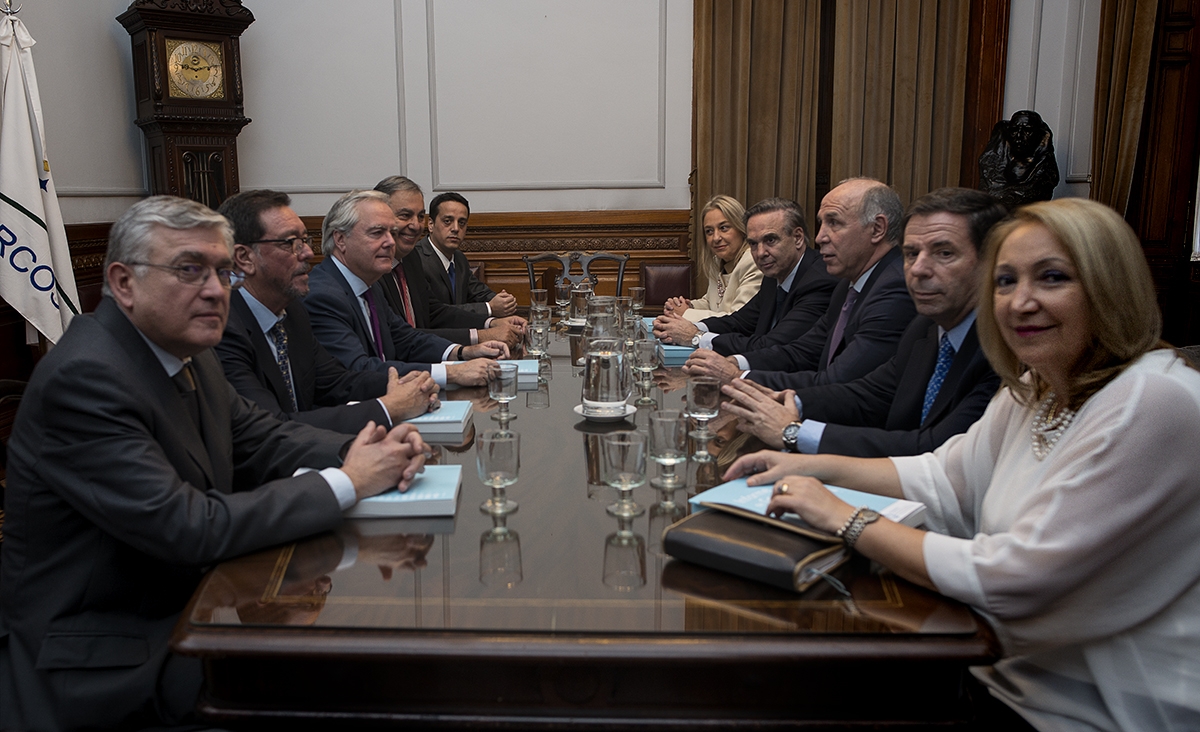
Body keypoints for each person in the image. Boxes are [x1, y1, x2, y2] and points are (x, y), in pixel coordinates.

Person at [726, 198, 1200, 731]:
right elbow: (943, 476)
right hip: (997, 675)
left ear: (1111, 284)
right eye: (1005, 282)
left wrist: (845, 518)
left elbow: (1014, 578)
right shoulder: (1039, 386)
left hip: (1094, 711)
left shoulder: (1153, 398)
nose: (1021, 302)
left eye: (1052, 278)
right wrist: (813, 468)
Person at [0, 196, 430, 731]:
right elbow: (189, 526)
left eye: (222, 271)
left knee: (363, 663)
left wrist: (366, 451)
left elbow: (261, 436)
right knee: (348, 683)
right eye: (188, 270)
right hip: (107, 656)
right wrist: (346, 481)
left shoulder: (187, 350)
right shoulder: (86, 377)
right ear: (123, 282)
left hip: (191, 607)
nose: (214, 289)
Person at [722, 188, 1006, 457]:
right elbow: (868, 394)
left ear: (990, 263)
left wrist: (795, 432)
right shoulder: (926, 327)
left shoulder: (1003, 349)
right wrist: (783, 402)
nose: (918, 269)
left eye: (944, 253)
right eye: (911, 254)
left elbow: (936, 449)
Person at [215, 189, 440, 433]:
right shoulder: (223, 328)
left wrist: (411, 383)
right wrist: (388, 407)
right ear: (244, 257)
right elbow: (269, 428)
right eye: (290, 243)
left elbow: (336, 382)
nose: (308, 253)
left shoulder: (293, 312)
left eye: (304, 241)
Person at [684, 178, 916, 388]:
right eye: (822, 223)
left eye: (834, 223)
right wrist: (737, 361)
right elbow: (802, 351)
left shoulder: (892, 288)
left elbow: (837, 381)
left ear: (877, 229)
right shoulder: (848, 285)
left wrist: (737, 375)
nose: (819, 237)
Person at [305, 190, 508, 387]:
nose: (390, 242)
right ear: (340, 239)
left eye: (391, 233)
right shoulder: (323, 295)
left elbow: (405, 338)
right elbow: (359, 369)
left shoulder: (368, 285)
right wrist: (451, 372)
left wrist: (462, 352)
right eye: (377, 233)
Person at [653, 197, 836, 357]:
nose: (761, 252)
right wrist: (685, 327)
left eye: (770, 240)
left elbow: (772, 344)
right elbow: (739, 321)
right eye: (754, 244)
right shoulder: (774, 274)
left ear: (797, 237)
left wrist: (695, 337)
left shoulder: (819, 279)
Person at [372, 176, 525, 349]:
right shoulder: (372, 268)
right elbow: (399, 337)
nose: (415, 225)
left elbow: (434, 312)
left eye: (420, 216)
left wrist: (491, 323)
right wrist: (480, 335)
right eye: (405, 215)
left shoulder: (411, 259)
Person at [662, 194, 763, 322]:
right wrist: (688, 306)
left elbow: (738, 319)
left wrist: (686, 313)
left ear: (741, 229)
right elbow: (712, 303)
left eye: (723, 228)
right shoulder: (717, 262)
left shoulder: (753, 261)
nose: (716, 238)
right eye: (709, 231)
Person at [416, 191, 518, 317]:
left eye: (462, 223)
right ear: (431, 225)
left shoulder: (459, 258)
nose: (455, 228)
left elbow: (478, 292)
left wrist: (503, 301)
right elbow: (436, 312)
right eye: (447, 221)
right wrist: (489, 308)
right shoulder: (416, 260)